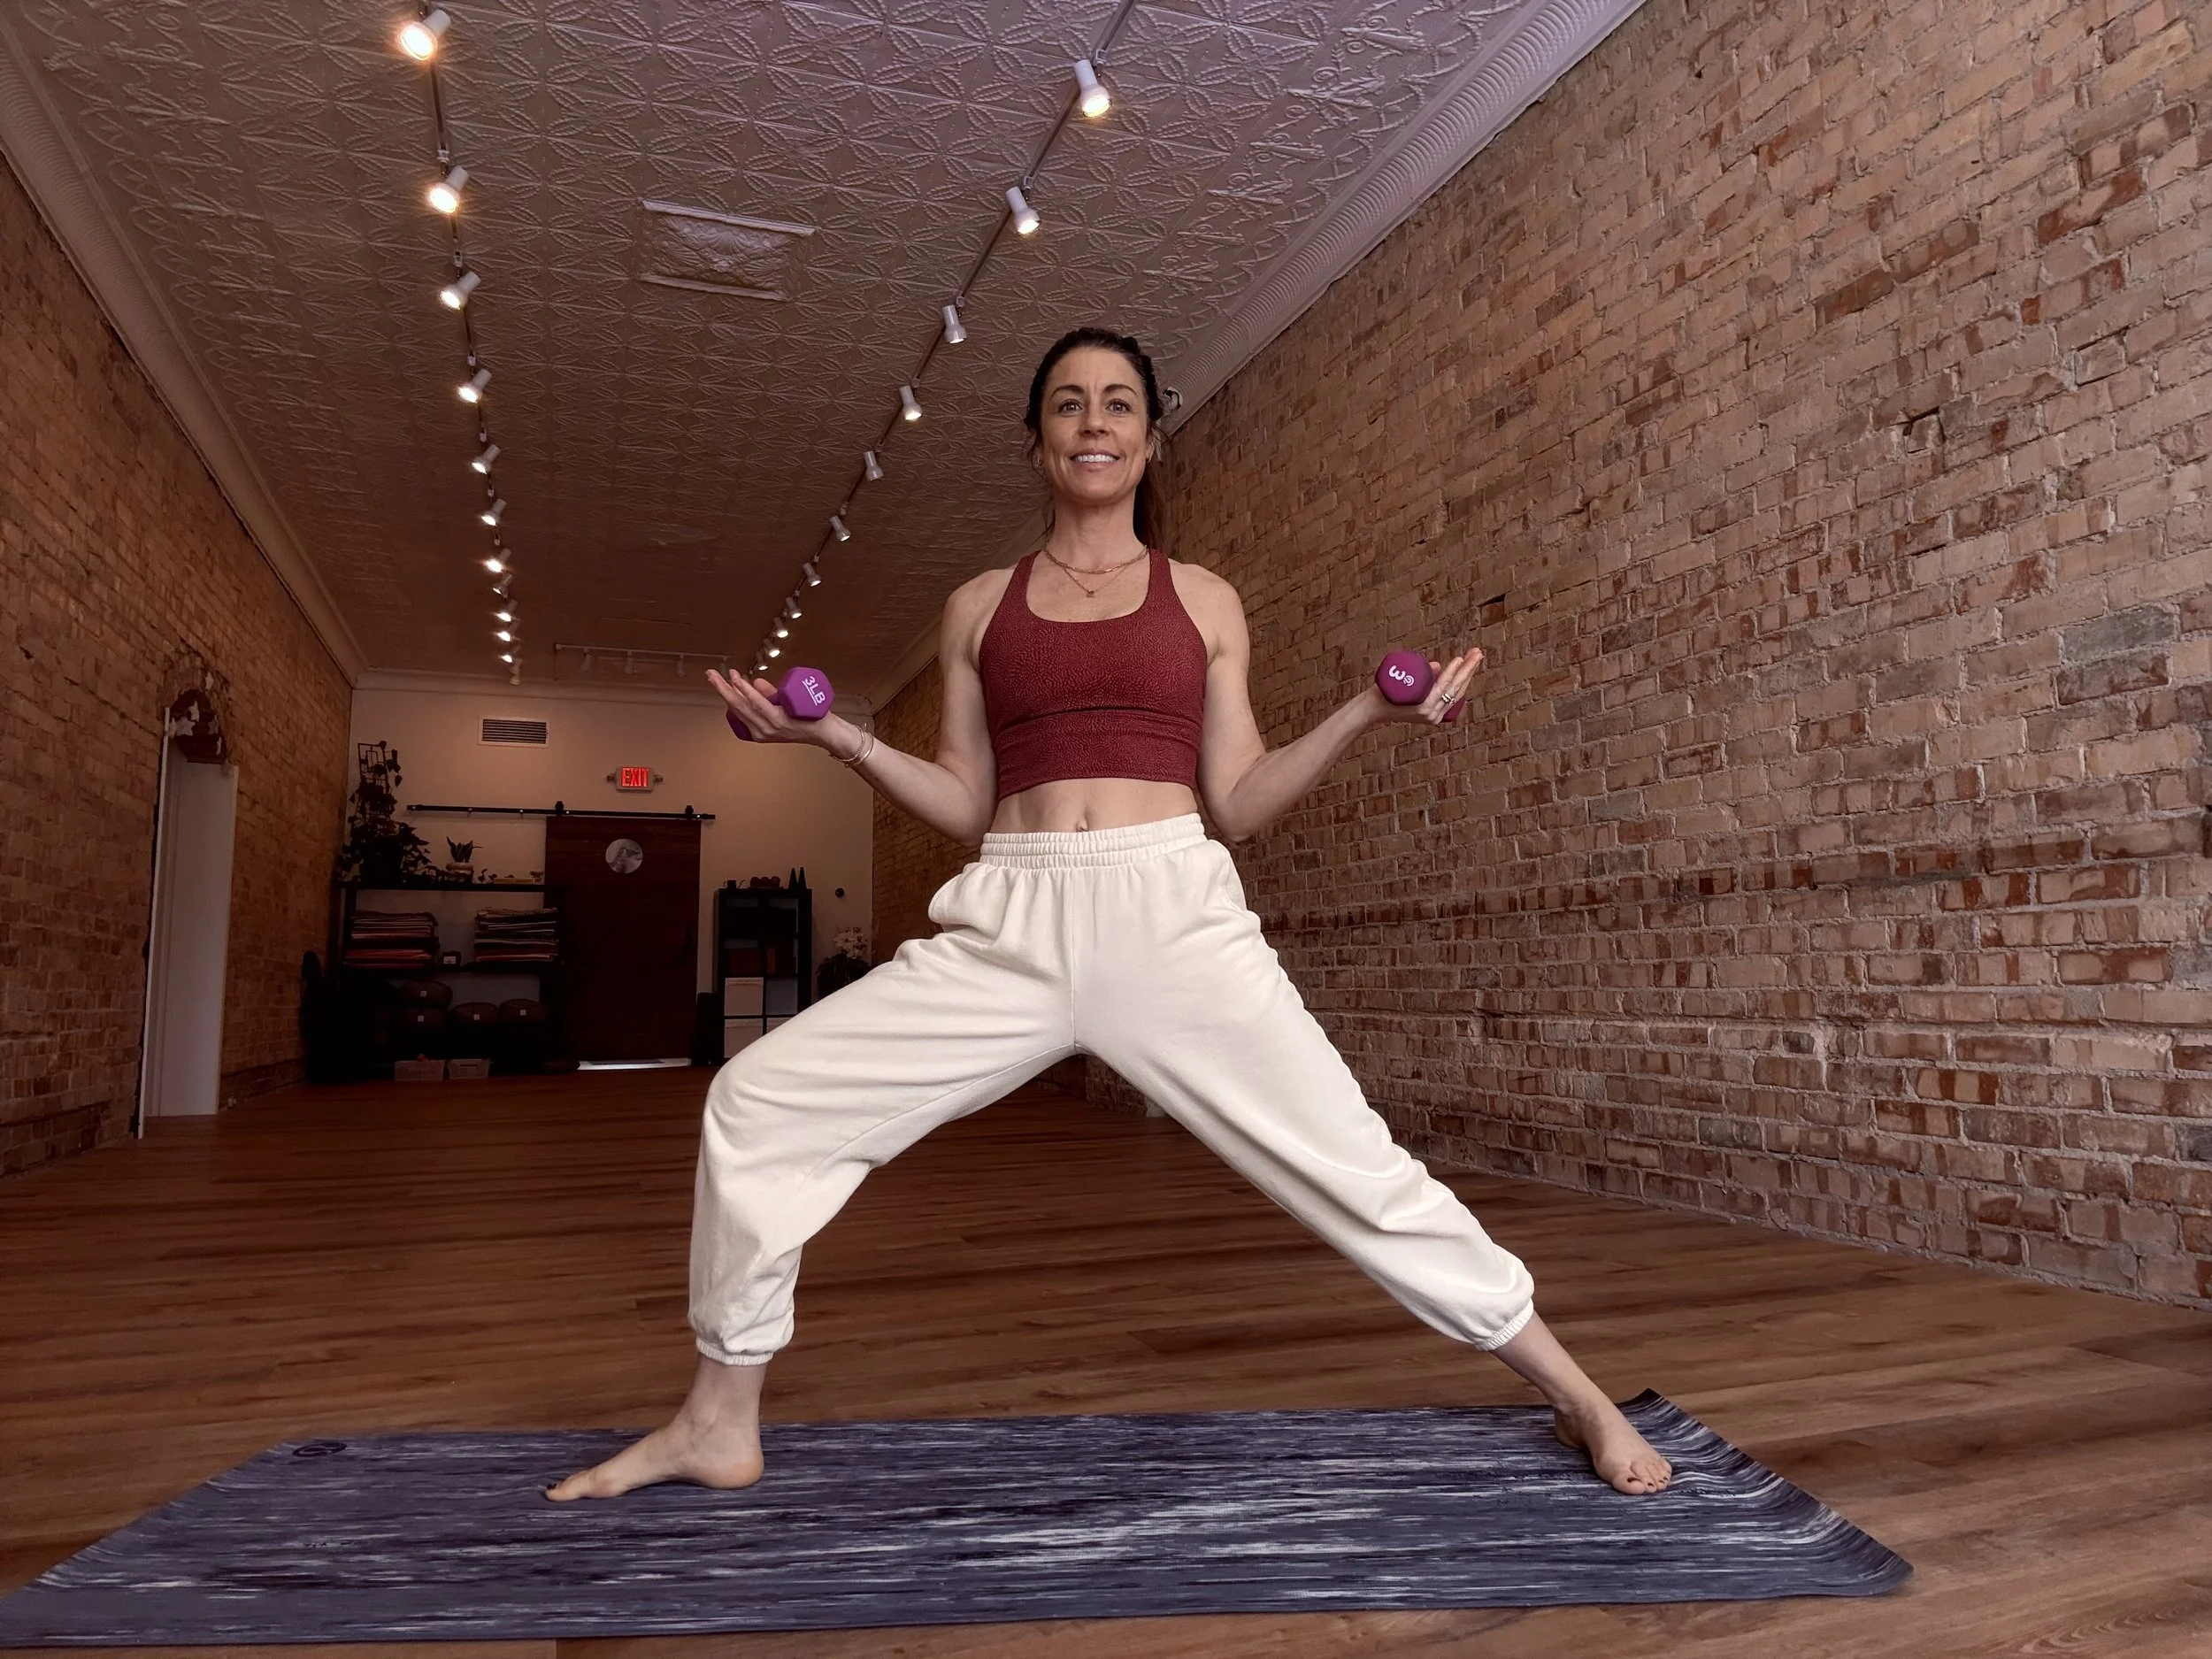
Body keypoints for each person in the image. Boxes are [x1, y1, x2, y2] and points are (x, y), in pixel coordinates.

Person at [549, 327, 1671, 1501]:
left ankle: (1577, 1392)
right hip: (1013, 917)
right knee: (758, 1098)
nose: (1095, 423)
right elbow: (964, 798)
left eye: (1119, 405)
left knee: (1356, 1170)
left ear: (1144, 440)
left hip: (1170, 912)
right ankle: (718, 1418)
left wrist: (1361, 717)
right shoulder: (981, 606)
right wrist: (837, 735)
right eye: (1071, 405)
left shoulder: (1204, 600)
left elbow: (1236, 800)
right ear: (1036, 441)